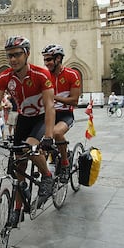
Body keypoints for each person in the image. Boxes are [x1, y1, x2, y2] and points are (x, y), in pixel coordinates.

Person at [0, 35, 56, 226]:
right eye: (9, 56)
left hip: (41, 118)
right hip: (23, 119)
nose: (13, 59)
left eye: (17, 55)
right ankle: (17, 209)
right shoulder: (5, 78)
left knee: (29, 148)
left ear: (26, 54)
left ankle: (47, 176)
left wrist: (49, 137)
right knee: (19, 166)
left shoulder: (41, 75)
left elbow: (50, 106)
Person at [42, 44, 81, 184]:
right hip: (49, 113)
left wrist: (54, 97)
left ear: (58, 58)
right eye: (45, 60)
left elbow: (75, 101)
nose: (46, 63)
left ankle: (65, 163)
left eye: (49, 60)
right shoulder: (45, 75)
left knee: (57, 133)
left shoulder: (72, 74)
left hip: (65, 114)